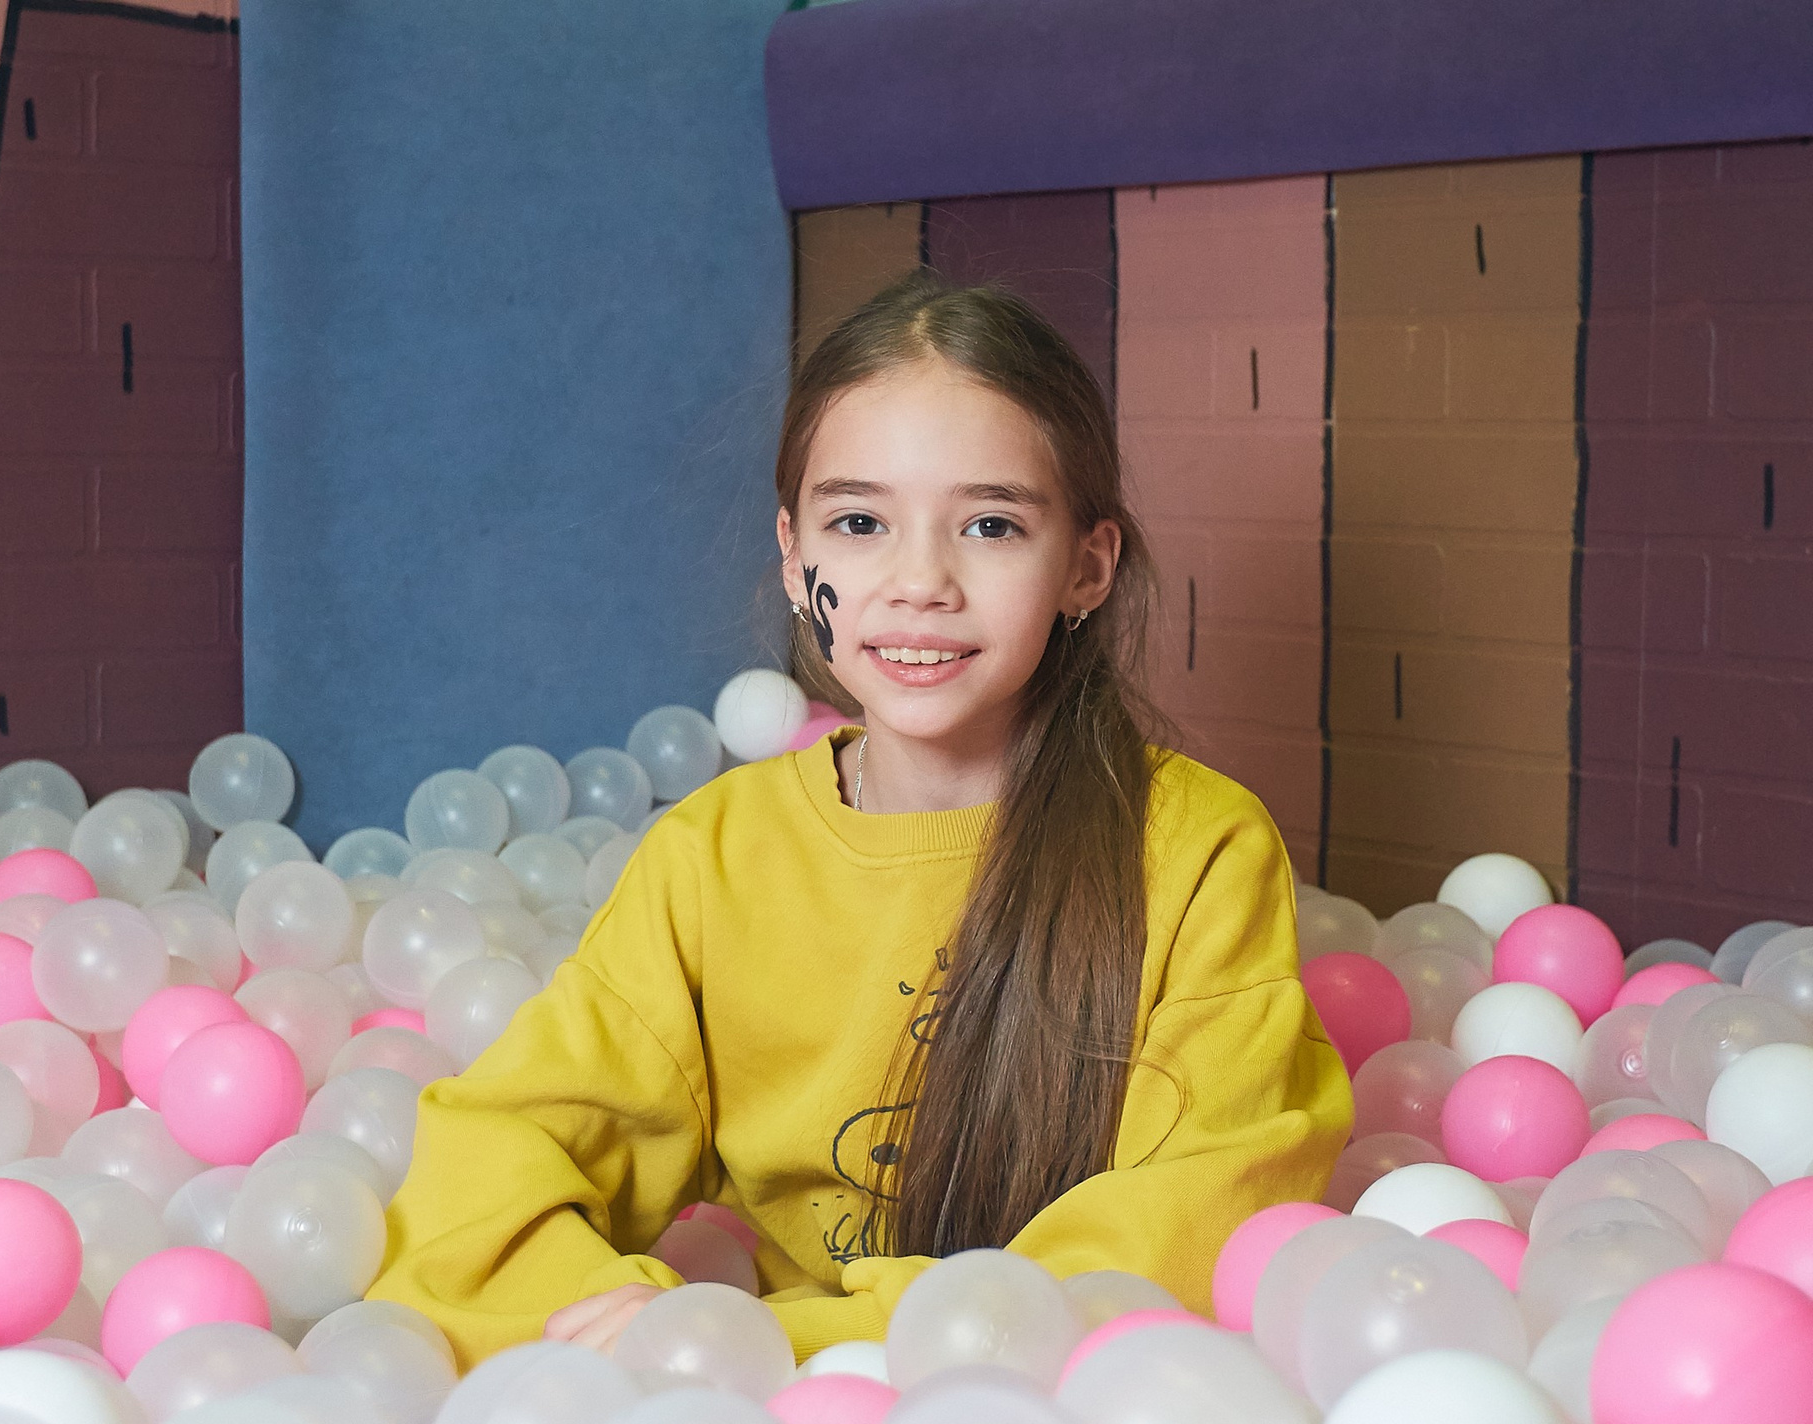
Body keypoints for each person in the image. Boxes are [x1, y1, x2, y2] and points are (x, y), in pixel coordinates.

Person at [369, 271, 1352, 1367]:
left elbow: (1186, 1235)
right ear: (794, 560)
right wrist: (635, 1327)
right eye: (859, 522)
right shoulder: (714, 859)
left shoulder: (1197, 853)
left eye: (988, 524)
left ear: (1085, 566)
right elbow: (489, 1168)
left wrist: (776, 1342)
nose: (918, 581)